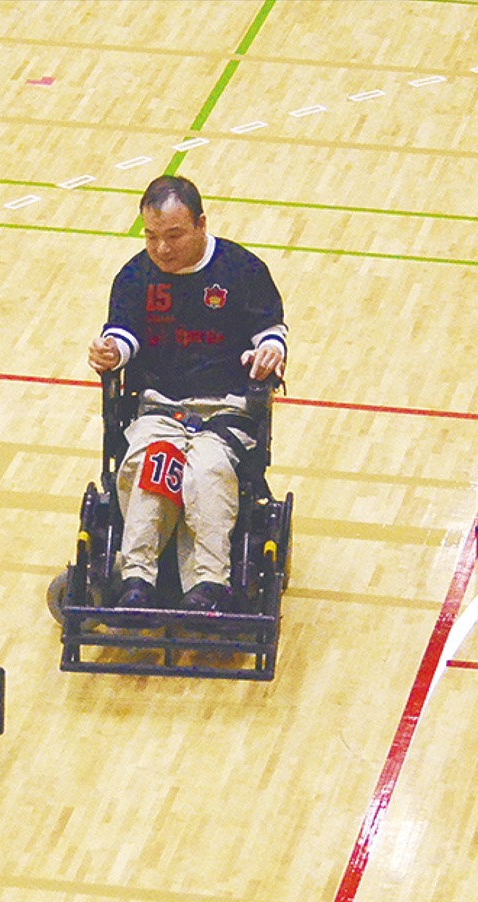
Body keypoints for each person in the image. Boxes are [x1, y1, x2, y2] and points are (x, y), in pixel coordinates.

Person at [88, 175, 287, 611]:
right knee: (151, 467)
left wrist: (270, 350)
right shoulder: (135, 277)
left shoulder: (242, 271)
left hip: (226, 410)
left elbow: (271, 333)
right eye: (152, 237)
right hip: (160, 407)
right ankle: (137, 578)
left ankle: (209, 583)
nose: (161, 249)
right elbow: (123, 337)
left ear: (200, 224)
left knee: (207, 473)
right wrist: (110, 352)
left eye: (174, 235)